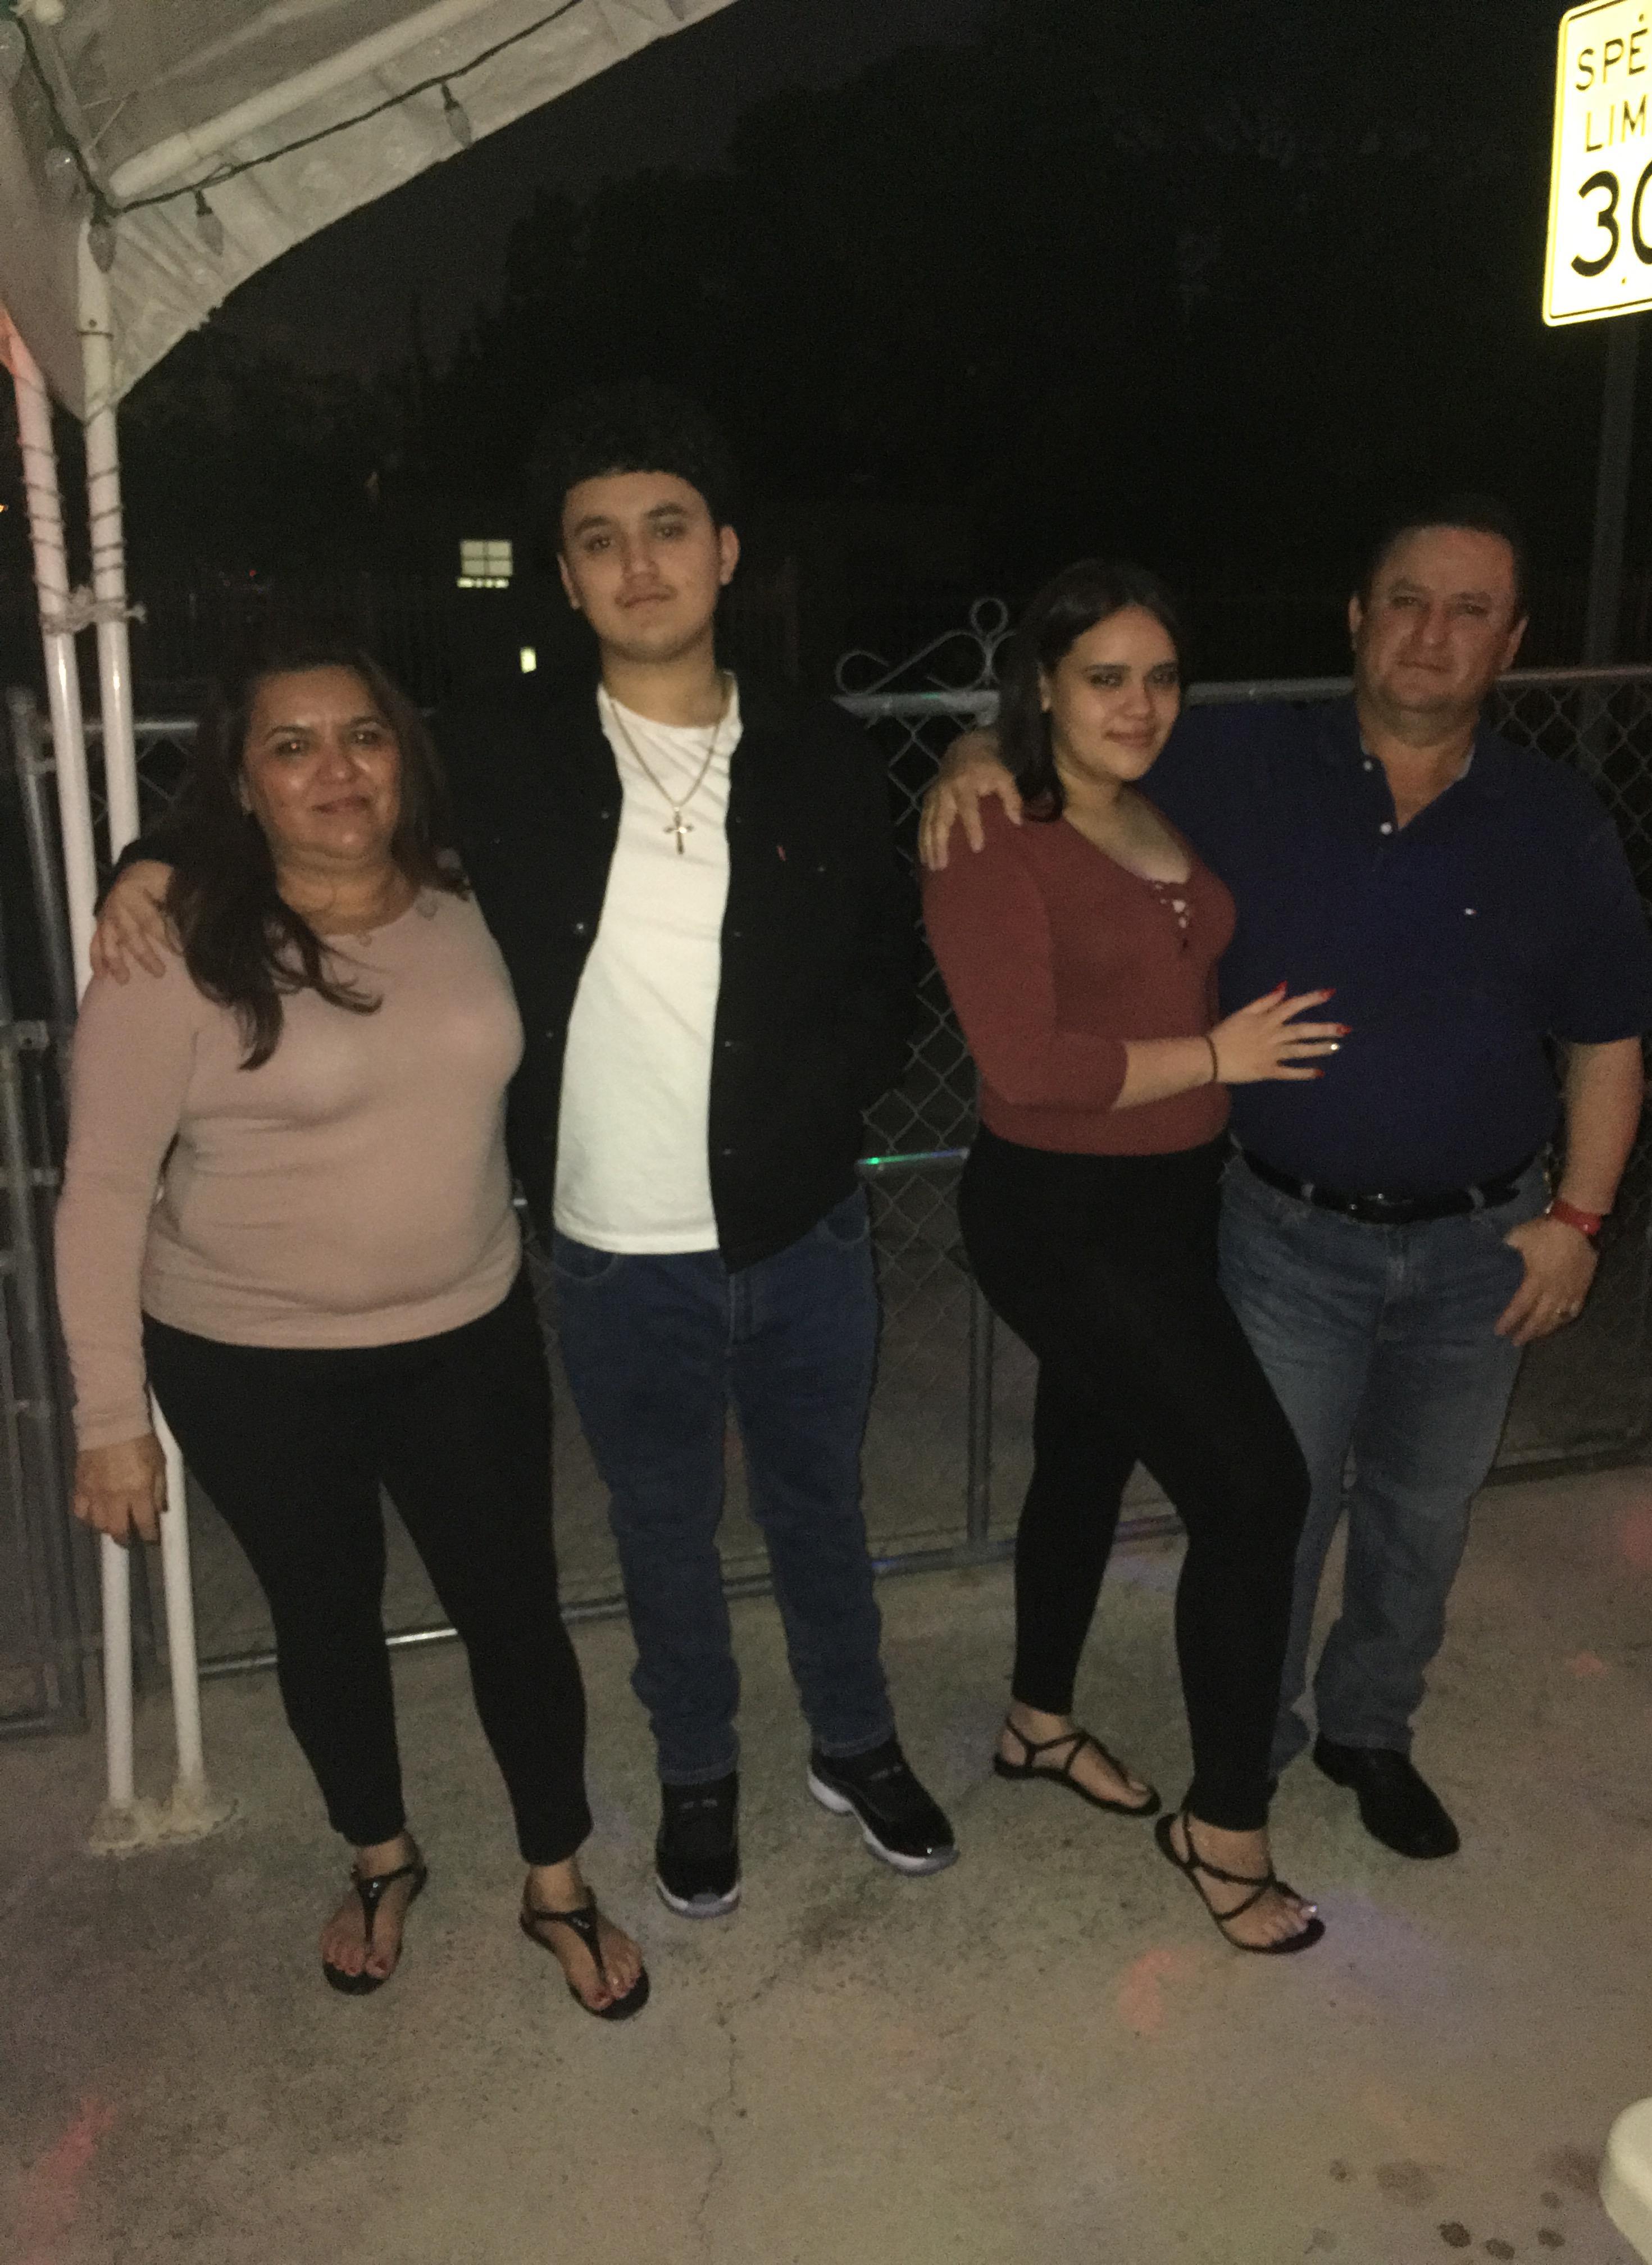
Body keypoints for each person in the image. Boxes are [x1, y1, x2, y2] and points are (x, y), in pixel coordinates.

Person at [96, 384, 956, 1921]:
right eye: (599, 541)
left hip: (803, 1226)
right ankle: (696, 1770)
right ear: (565, 578)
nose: (638, 566)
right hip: (616, 1247)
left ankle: (857, 1741)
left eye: (668, 530)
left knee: (822, 1505)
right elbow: (306, 809)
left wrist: (830, 1092)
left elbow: (888, 969)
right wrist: (146, 859)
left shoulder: (825, 753)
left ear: (726, 553)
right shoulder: (498, 762)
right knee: (658, 1527)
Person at [921, 498, 1652, 1861]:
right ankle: (1237, 1768)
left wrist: (1580, 1219)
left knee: (1417, 1516)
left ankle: (1365, 1730)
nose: (1432, 634)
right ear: (1357, 619)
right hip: (1276, 1227)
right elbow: (1067, 739)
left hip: (1479, 1239)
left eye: (1470, 610)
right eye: (1406, 601)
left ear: (1514, 639)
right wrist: (970, 747)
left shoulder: (1556, 820)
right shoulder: (1243, 755)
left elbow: (1609, 1032)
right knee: (1271, 1495)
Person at [59, 644, 648, 2018]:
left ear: (406, 758)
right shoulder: (173, 946)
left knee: (514, 1609)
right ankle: (380, 1853)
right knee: (327, 1616)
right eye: (292, 746)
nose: (337, 770)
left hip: (467, 1329)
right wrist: (107, 1422)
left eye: (366, 737)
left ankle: (556, 1875)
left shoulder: (469, 891)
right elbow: (99, 1188)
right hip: (250, 1360)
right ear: (242, 784)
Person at [923, 561, 1336, 1953]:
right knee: (1254, 1489)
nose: (1142, 703)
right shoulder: (993, 837)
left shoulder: (1154, 799)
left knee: (1088, 1456)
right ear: (1043, 684)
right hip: (1060, 1211)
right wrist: (1217, 1057)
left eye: (1162, 676)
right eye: (1106, 676)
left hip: (1173, 1198)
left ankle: (1039, 1725)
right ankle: (1224, 1829)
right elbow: (1025, 1064)